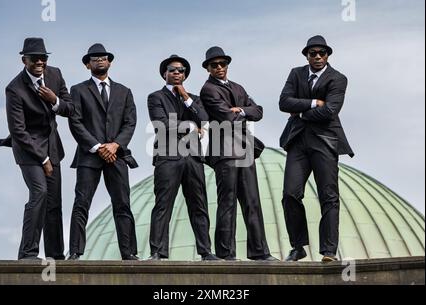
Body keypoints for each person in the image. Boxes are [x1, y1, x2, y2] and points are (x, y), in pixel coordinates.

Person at [279, 35, 354, 262]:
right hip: (298, 141)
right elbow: (284, 103)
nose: (318, 57)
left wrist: (300, 112)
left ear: (328, 55)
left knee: (328, 196)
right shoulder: (296, 73)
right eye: (313, 53)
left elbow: (330, 111)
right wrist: (313, 103)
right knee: (290, 194)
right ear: (307, 56)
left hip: (325, 141)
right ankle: (298, 246)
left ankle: (328, 250)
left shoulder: (338, 78)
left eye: (322, 53)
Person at [0, 37, 74, 260]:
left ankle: (55, 255)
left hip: (52, 145)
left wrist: (55, 101)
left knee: (54, 203)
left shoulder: (55, 74)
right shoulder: (14, 89)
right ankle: (28, 253)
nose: (40, 62)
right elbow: (18, 130)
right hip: (28, 148)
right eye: (35, 59)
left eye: (43, 58)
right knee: (39, 193)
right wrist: (42, 159)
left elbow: (70, 109)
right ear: (24, 60)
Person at [200, 47, 276, 261]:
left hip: (244, 149)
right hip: (224, 151)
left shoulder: (238, 87)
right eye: (214, 65)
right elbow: (226, 117)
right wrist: (240, 111)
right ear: (208, 68)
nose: (219, 68)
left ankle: (260, 252)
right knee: (228, 203)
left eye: (222, 64)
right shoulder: (208, 90)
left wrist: (240, 110)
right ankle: (226, 254)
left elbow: (258, 111)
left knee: (252, 201)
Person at [68, 44, 139, 260]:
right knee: (81, 203)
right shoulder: (78, 90)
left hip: (117, 155)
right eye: (94, 58)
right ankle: (75, 252)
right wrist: (98, 147)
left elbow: (130, 122)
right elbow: (76, 122)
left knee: (122, 204)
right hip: (89, 156)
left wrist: (115, 145)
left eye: (104, 57)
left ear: (110, 62)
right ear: (87, 64)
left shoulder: (124, 91)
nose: (100, 60)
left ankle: (129, 253)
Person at [147, 55, 219, 261]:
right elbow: (161, 124)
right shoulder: (156, 97)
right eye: (172, 69)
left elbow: (204, 119)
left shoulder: (194, 99)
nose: (177, 72)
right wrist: (189, 126)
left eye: (181, 70)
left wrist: (186, 98)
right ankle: (158, 252)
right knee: (163, 205)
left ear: (185, 75)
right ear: (164, 74)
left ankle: (205, 251)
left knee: (198, 205)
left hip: (193, 158)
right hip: (167, 156)